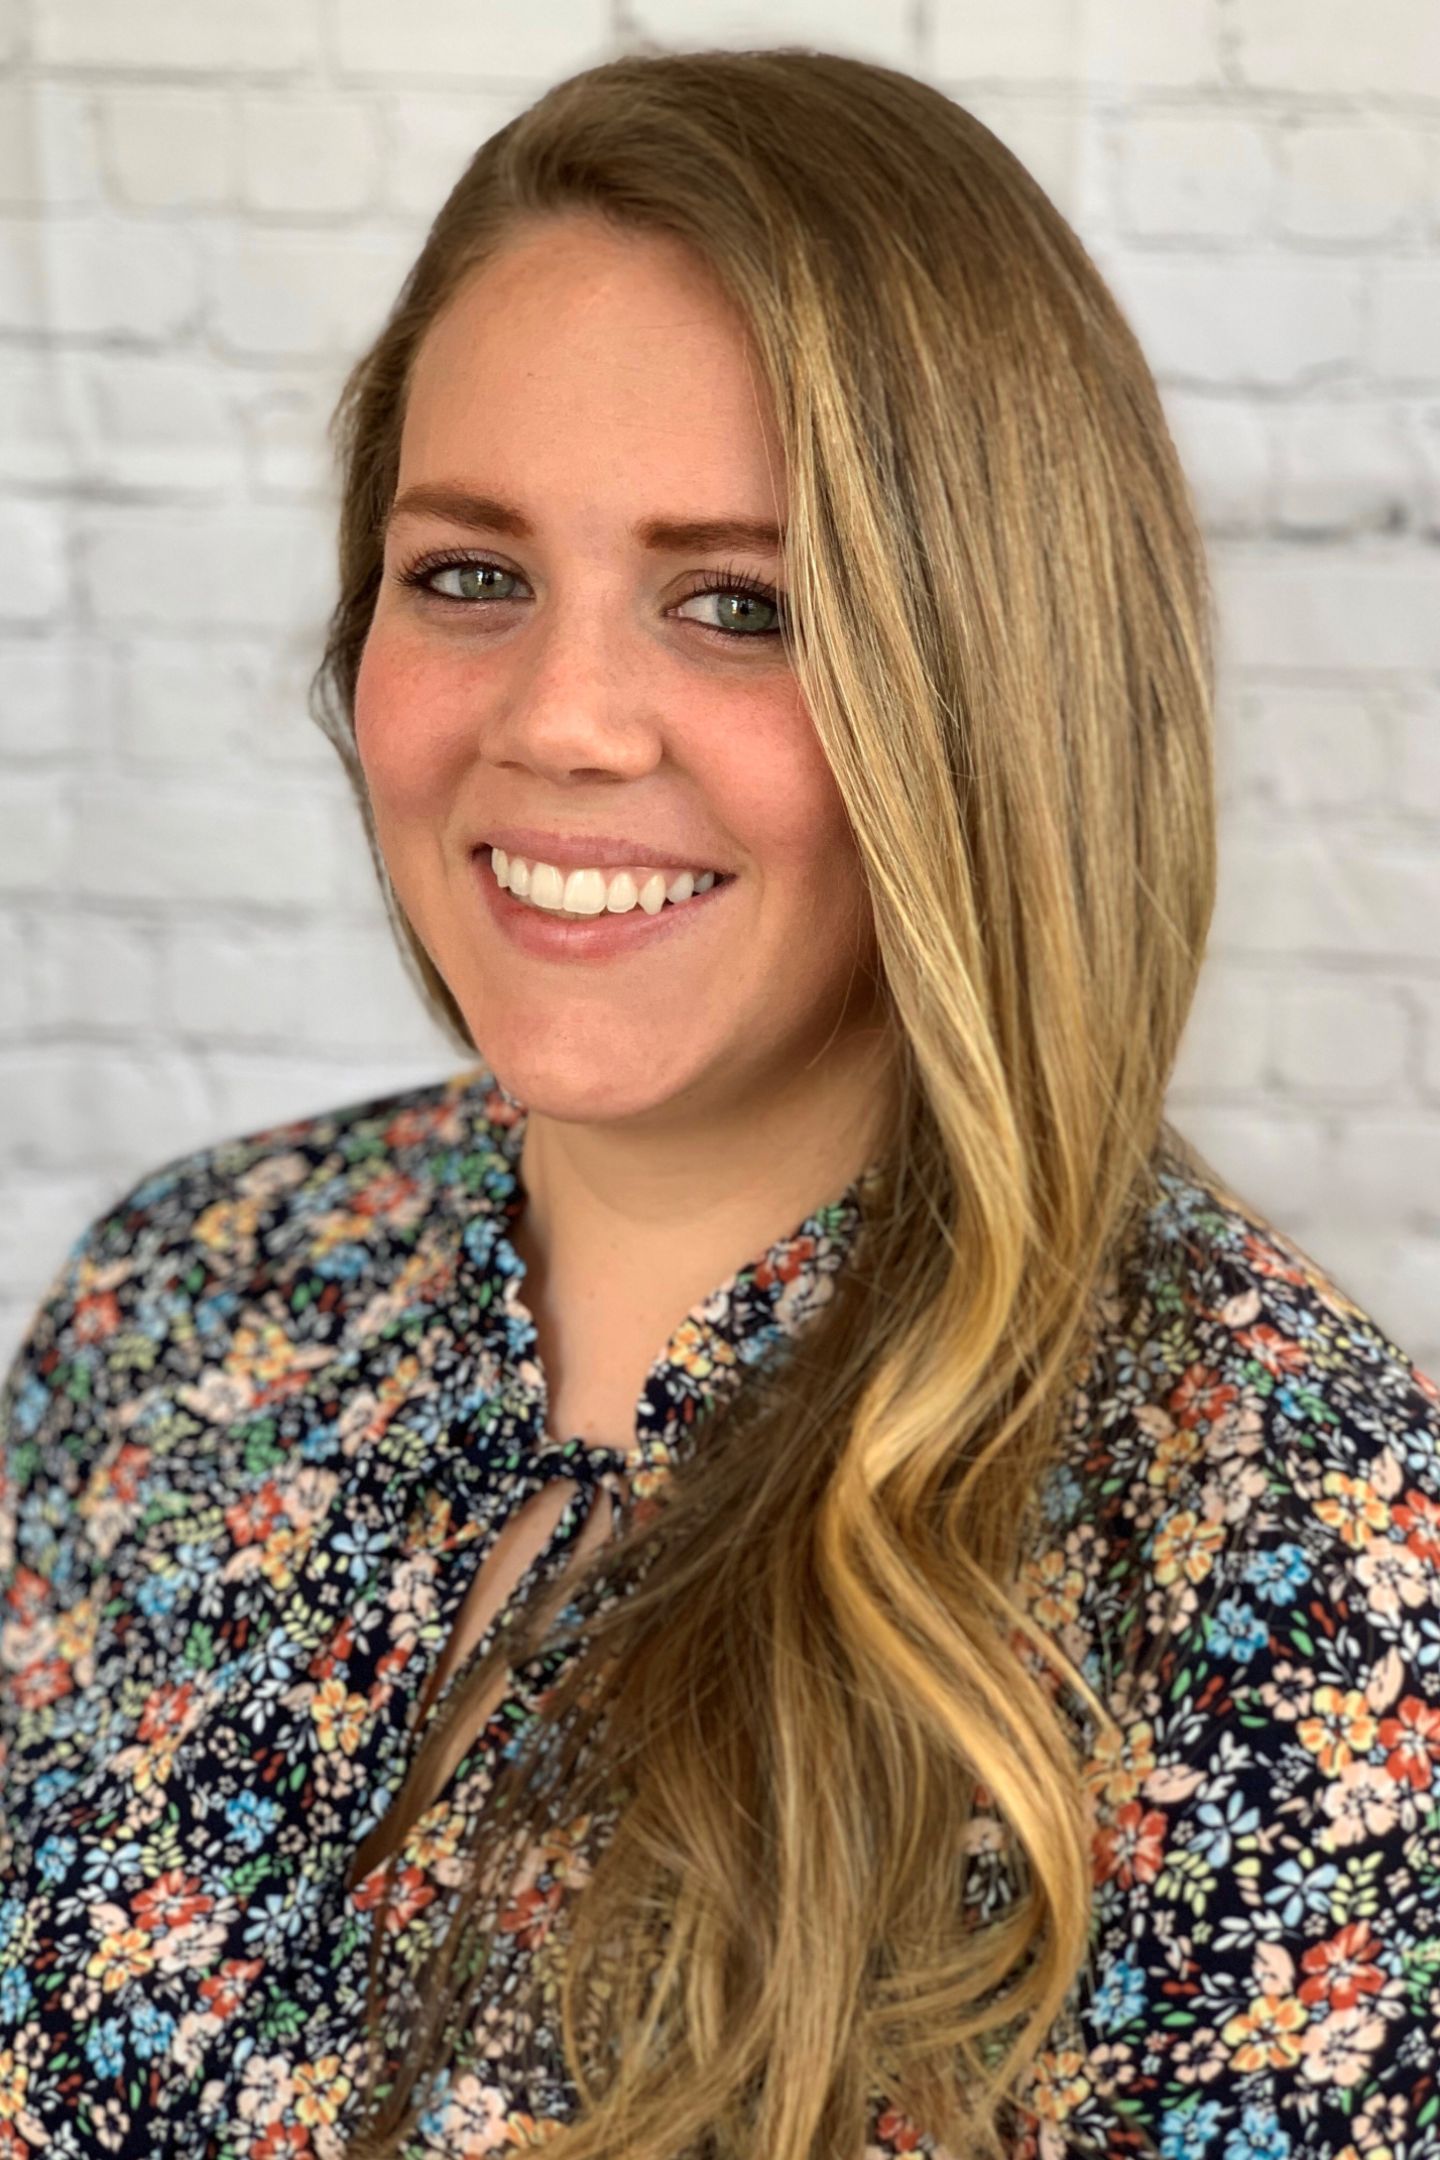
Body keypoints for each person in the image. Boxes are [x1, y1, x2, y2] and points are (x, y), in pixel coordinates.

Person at [2, 41, 1437, 2160]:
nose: (563, 720)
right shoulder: (177, 1299)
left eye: (742, 604)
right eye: (469, 573)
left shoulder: (1301, 1552)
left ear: (999, 691)